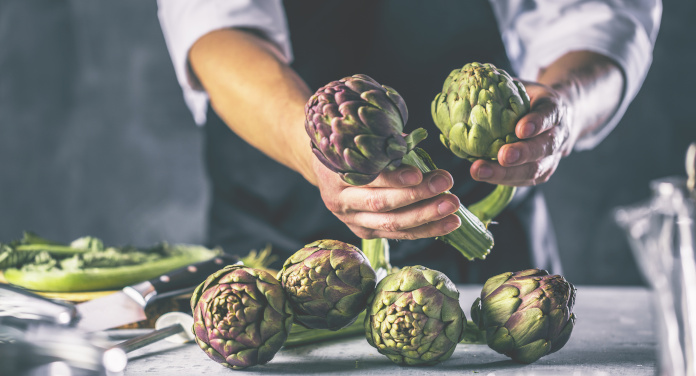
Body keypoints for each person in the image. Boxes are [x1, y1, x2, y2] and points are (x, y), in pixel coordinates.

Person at [156, 0, 661, 282]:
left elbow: (599, 15)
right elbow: (214, 26)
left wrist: (565, 104)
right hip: (271, 237)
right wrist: (317, 149)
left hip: (491, 252)